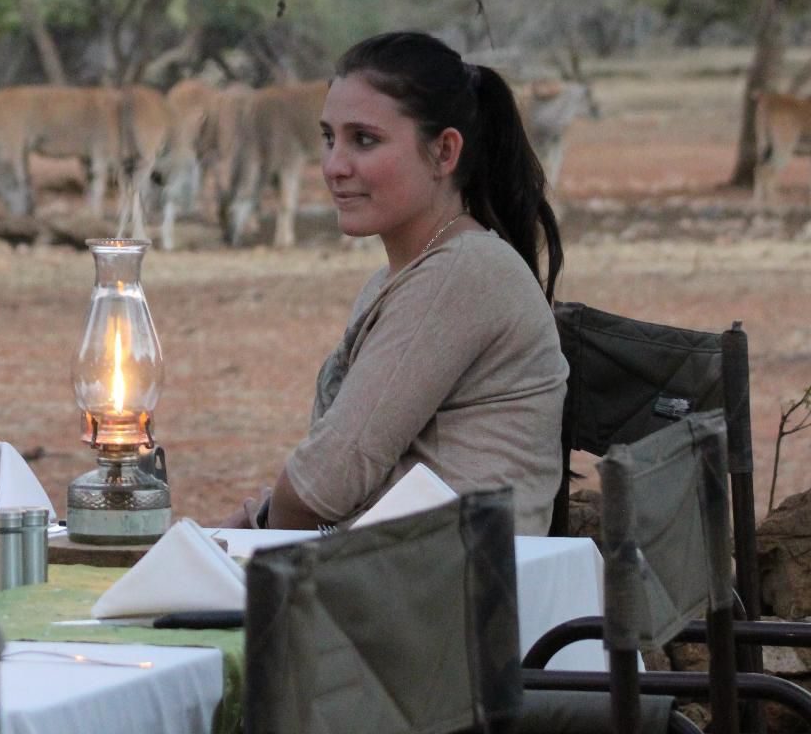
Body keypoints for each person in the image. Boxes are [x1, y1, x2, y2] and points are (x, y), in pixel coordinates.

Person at [222, 31, 568, 535]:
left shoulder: (461, 273)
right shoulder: (416, 271)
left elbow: (327, 480)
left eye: (365, 140)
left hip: (452, 591)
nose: (335, 166)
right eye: (328, 138)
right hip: (399, 570)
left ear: (444, 152)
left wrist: (261, 526)